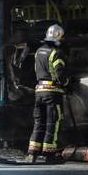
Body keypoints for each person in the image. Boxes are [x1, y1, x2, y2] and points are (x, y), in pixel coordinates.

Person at [26, 24, 72, 164]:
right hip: (52, 94)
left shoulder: (39, 51)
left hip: (39, 92)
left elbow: (37, 71)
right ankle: (49, 155)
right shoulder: (56, 53)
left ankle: (32, 154)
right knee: (53, 123)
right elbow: (60, 75)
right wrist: (67, 83)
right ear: (59, 37)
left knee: (39, 123)